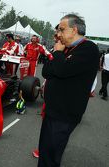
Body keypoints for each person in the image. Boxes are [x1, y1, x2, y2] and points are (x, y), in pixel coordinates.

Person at [38, 14, 100, 167]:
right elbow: (46, 71)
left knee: (51, 155)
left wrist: (58, 53)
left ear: (74, 30)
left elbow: (62, 71)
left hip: (65, 114)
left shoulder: (89, 48)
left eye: (61, 30)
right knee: (45, 150)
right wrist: (58, 54)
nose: (58, 34)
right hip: (53, 110)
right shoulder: (66, 49)